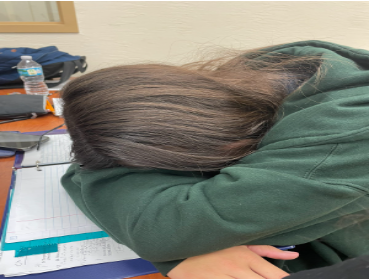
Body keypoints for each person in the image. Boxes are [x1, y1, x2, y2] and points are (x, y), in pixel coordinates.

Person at [60, 40, 369, 278]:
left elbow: (162, 227)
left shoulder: (347, 134)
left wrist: (178, 253)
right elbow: (82, 166)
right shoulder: (261, 74)